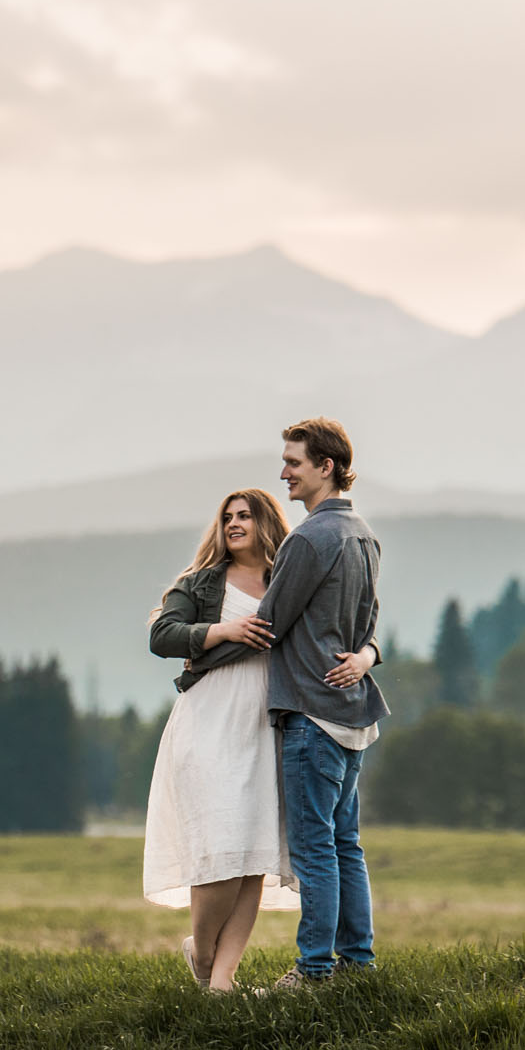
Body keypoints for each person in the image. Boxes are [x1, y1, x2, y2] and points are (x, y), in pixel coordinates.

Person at [189, 418, 386, 988]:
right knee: (345, 843)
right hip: (352, 713)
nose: (284, 474)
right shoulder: (365, 536)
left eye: (294, 463)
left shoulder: (308, 540)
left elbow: (267, 625)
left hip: (310, 714)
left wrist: (199, 660)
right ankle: (357, 962)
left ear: (326, 466)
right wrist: (368, 655)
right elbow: (371, 625)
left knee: (314, 847)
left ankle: (314, 970)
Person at [143, 488, 302, 991]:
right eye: (227, 517)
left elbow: (340, 622)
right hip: (208, 722)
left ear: (266, 523)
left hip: (266, 726)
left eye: (245, 516)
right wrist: (223, 631)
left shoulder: (288, 581)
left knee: (253, 856)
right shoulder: (201, 582)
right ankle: (204, 953)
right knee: (219, 850)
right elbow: (162, 635)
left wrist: (367, 654)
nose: (234, 524)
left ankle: (222, 983)